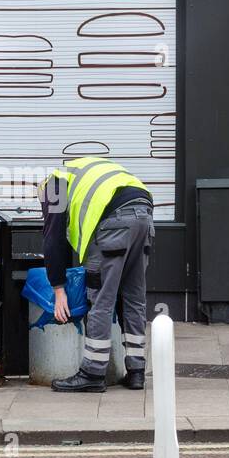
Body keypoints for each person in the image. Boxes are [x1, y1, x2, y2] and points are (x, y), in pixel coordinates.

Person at [39, 157, 154, 393]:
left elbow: (53, 239)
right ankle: (136, 372)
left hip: (115, 222)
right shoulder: (83, 171)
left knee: (101, 297)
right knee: (134, 297)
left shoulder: (53, 185)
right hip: (144, 214)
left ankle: (92, 372)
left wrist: (58, 289)